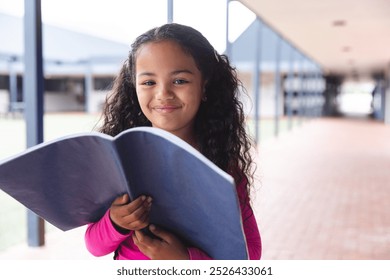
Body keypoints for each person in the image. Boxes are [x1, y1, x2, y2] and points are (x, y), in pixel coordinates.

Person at [85, 23, 261, 260]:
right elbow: (95, 246)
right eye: (149, 82)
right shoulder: (122, 163)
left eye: (179, 81)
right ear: (133, 88)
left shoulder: (222, 167)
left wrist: (184, 261)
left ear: (204, 86)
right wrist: (115, 222)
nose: (163, 94)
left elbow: (249, 255)